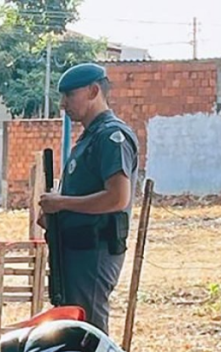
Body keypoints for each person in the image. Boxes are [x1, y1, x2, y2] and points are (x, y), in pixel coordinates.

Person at [38, 63, 139, 335]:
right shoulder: (89, 138)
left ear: (94, 91)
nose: (63, 104)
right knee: (74, 330)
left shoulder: (110, 136)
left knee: (89, 335)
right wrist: (56, 216)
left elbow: (117, 197)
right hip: (76, 249)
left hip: (94, 249)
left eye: (69, 95)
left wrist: (62, 204)